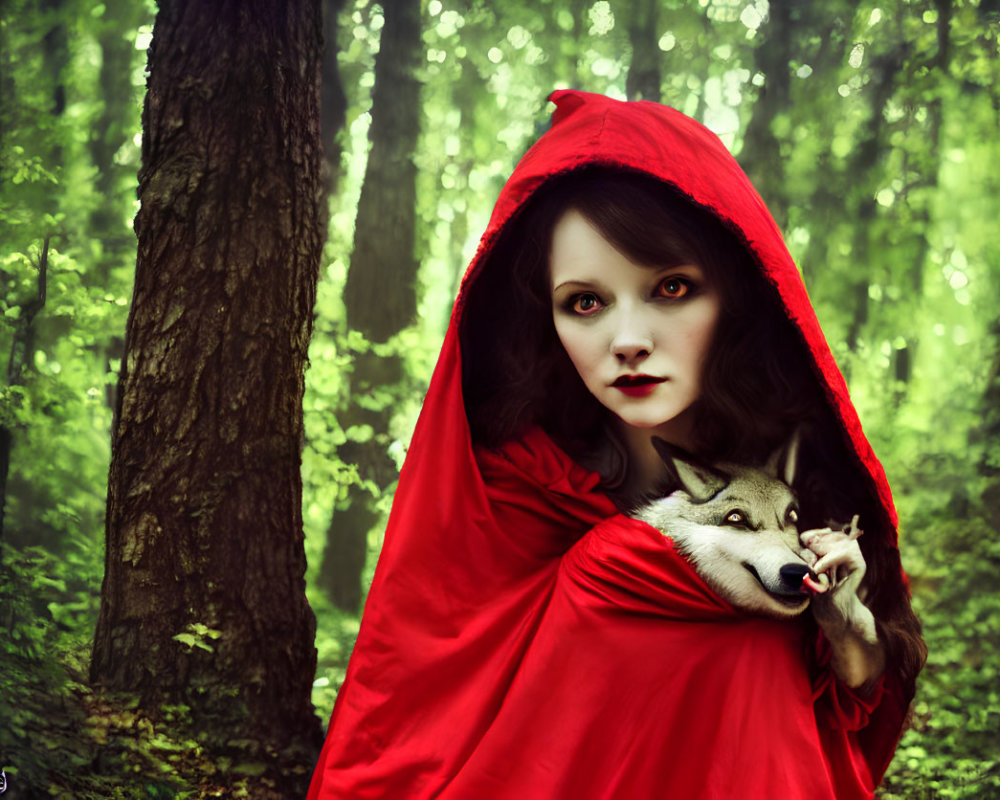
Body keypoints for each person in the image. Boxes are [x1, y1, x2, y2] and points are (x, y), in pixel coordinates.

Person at [307, 89, 926, 799]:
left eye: (670, 287)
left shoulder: (805, 476)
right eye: (586, 303)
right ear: (551, 318)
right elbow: (421, 717)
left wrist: (842, 620)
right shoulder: (513, 490)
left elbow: (858, 688)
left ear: (733, 293)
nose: (628, 342)